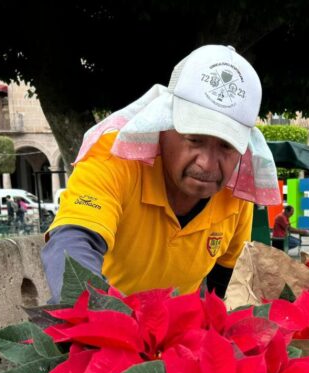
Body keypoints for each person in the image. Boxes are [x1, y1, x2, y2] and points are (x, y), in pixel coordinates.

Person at [41, 44, 279, 300]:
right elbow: (72, 242)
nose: (208, 165)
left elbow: (227, 282)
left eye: (227, 146)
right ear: (162, 124)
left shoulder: (235, 193)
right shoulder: (114, 156)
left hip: (177, 323)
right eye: (194, 139)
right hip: (108, 316)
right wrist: (96, 314)